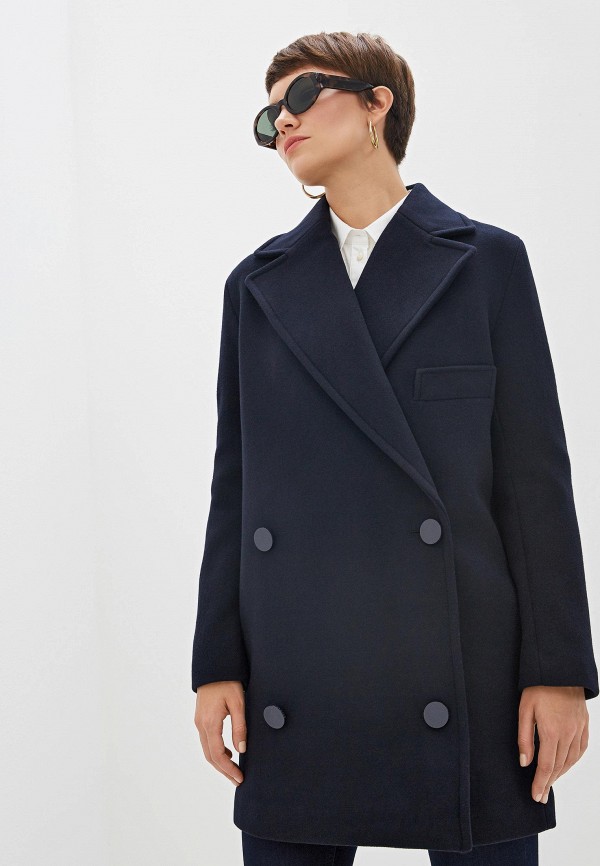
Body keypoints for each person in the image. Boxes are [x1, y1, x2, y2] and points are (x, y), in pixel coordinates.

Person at [192, 31, 598, 865]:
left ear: (379, 104)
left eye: (302, 96)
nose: (283, 122)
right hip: (298, 669)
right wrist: (215, 663)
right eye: (269, 117)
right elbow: (236, 489)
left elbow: (534, 484)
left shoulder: (486, 263)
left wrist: (558, 671)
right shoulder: (257, 286)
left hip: (466, 664)